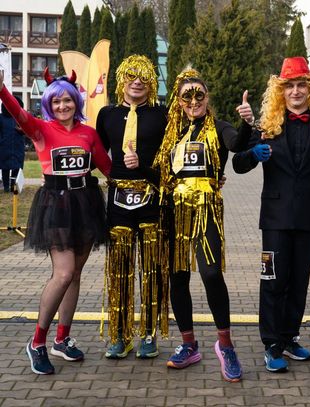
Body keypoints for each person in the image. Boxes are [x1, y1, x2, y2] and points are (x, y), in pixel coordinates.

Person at [232, 56, 310, 373]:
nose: (296, 91)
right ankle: (271, 343)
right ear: (280, 91)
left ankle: (290, 337)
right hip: (275, 218)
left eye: (301, 85)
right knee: (273, 281)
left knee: (299, 281)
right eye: (290, 86)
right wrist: (253, 153)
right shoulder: (266, 127)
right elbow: (238, 165)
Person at [0, 67, 111, 375]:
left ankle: (62, 340)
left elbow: (107, 168)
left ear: (76, 101)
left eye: (68, 100)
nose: (63, 106)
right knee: (62, 274)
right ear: (49, 104)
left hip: (86, 203)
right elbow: (19, 114)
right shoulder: (40, 130)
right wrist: (2, 90)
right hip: (56, 205)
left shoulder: (88, 133)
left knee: (75, 275)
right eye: (56, 101)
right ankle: (37, 342)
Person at [151, 67, 253, 382]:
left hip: (206, 208)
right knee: (177, 277)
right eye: (187, 96)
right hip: (174, 210)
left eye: (199, 95)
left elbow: (236, 144)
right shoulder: (172, 132)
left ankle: (226, 345)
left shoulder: (219, 127)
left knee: (210, 273)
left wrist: (247, 122)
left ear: (207, 98)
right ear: (179, 100)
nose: (194, 101)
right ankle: (188, 344)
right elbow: (160, 169)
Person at [96, 55, 169, 360]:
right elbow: (97, 152)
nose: (137, 81)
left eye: (143, 76)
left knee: (151, 269)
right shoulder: (107, 114)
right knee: (120, 270)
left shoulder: (162, 115)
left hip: (152, 201)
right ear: (122, 80)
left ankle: (149, 334)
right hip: (118, 202)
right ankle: (120, 335)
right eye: (131, 75)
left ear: (151, 82)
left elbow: (171, 158)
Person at [0, 95, 25, 192]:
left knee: (17, 167)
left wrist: (22, 131)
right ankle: (6, 187)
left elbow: (27, 130)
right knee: (5, 167)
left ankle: (13, 186)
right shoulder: (1, 118)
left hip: (18, 145)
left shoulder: (21, 117)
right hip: (4, 147)